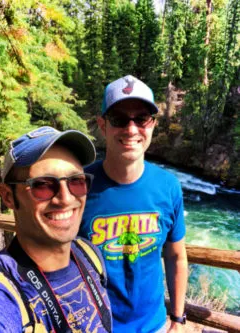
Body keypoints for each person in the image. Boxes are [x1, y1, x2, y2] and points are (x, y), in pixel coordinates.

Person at [79, 75, 188, 333]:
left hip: (155, 326)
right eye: (119, 119)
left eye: (141, 118)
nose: (131, 129)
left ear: (152, 125)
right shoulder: (77, 186)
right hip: (94, 326)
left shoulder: (168, 186)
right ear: (102, 125)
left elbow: (176, 256)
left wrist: (178, 319)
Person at [0, 126, 112, 333]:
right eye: (43, 185)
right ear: (8, 196)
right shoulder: (2, 293)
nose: (65, 198)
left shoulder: (89, 254)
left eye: (76, 181)